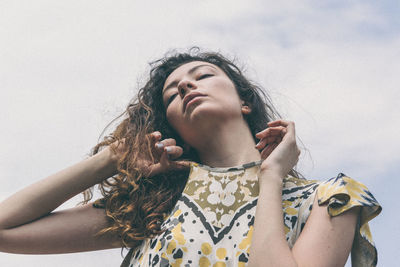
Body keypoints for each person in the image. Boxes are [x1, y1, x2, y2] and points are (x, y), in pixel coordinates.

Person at [0, 48, 381, 267]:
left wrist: (271, 177)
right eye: (171, 95)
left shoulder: (330, 199)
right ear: (172, 128)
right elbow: (5, 230)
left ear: (245, 101)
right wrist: (113, 158)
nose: (185, 84)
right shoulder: (156, 205)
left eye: (203, 75)